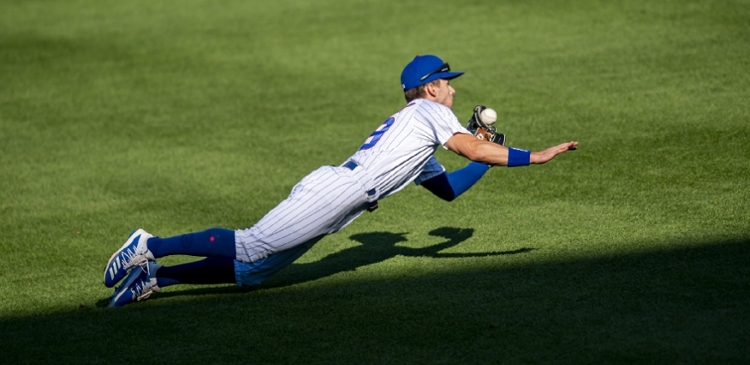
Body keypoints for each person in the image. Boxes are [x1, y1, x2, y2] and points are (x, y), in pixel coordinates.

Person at [104, 54, 578, 307]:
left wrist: (486, 156)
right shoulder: (430, 113)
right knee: (251, 246)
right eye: (448, 81)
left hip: (343, 199)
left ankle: (156, 279)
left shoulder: (420, 137)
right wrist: (532, 156)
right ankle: (151, 244)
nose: (454, 88)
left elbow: (448, 188)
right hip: (338, 190)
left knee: (254, 272)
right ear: (431, 88)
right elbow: (473, 148)